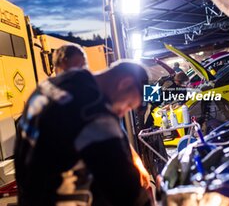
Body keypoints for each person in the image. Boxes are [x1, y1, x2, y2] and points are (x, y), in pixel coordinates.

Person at [15, 59, 151, 206]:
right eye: (129, 105)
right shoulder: (93, 113)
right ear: (125, 83)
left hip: (28, 194)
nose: (122, 112)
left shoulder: (57, 83)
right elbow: (127, 192)